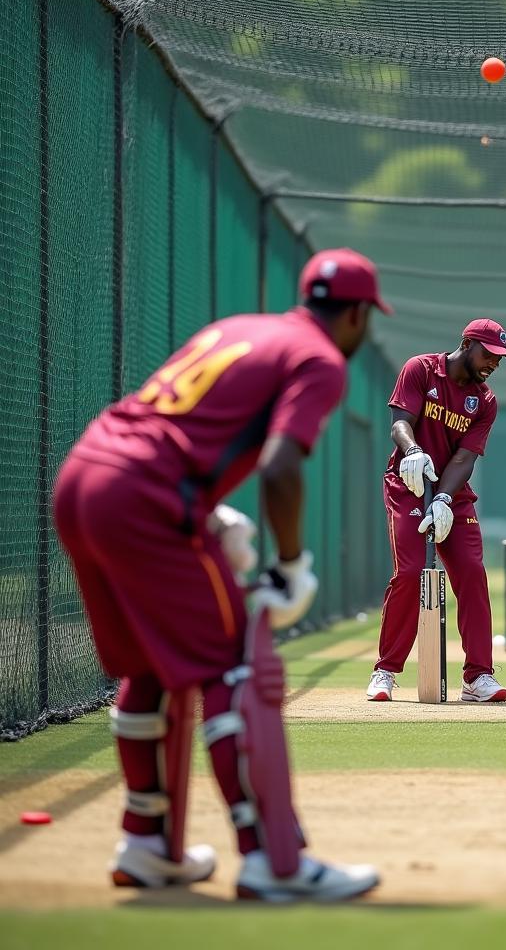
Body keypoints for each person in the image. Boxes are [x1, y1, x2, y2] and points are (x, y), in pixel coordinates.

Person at [52, 248, 390, 900]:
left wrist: (208, 515)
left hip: (84, 476)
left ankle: (147, 843)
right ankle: (273, 860)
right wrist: (292, 566)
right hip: (147, 497)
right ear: (355, 315)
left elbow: (170, 423)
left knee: (150, 663)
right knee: (233, 664)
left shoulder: (237, 327)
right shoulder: (318, 359)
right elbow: (282, 467)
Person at [367, 319, 506, 703]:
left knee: (471, 570)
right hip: (407, 483)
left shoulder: (485, 401)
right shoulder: (420, 368)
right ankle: (385, 671)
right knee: (412, 570)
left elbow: (466, 456)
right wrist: (414, 451)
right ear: (467, 344)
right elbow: (400, 423)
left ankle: (478, 676)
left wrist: (445, 498)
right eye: (489, 355)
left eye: (500, 359)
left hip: (452, 492)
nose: (493, 364)